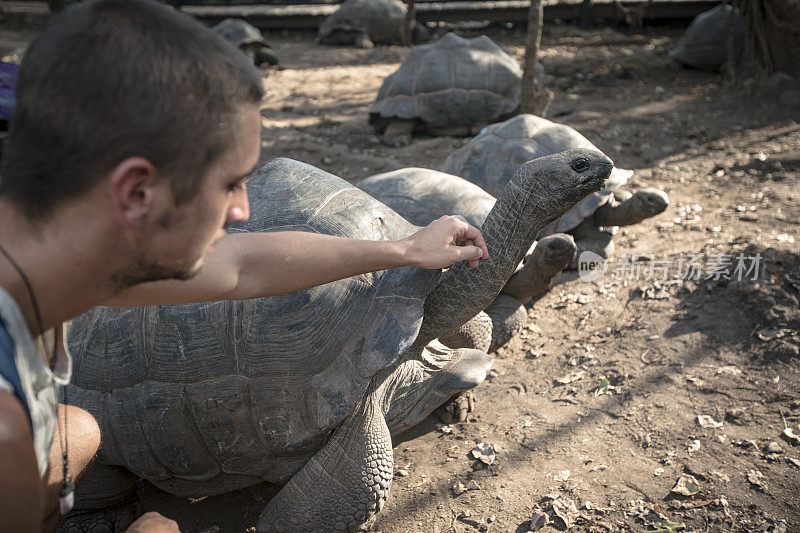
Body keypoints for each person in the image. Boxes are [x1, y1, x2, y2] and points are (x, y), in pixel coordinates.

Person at [0, 1, 488, 531]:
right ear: (136, 191)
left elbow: (242, 265)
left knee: (80, 433)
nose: (243, 211)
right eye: (230, 184)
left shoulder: (62, 236)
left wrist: (406, 250)